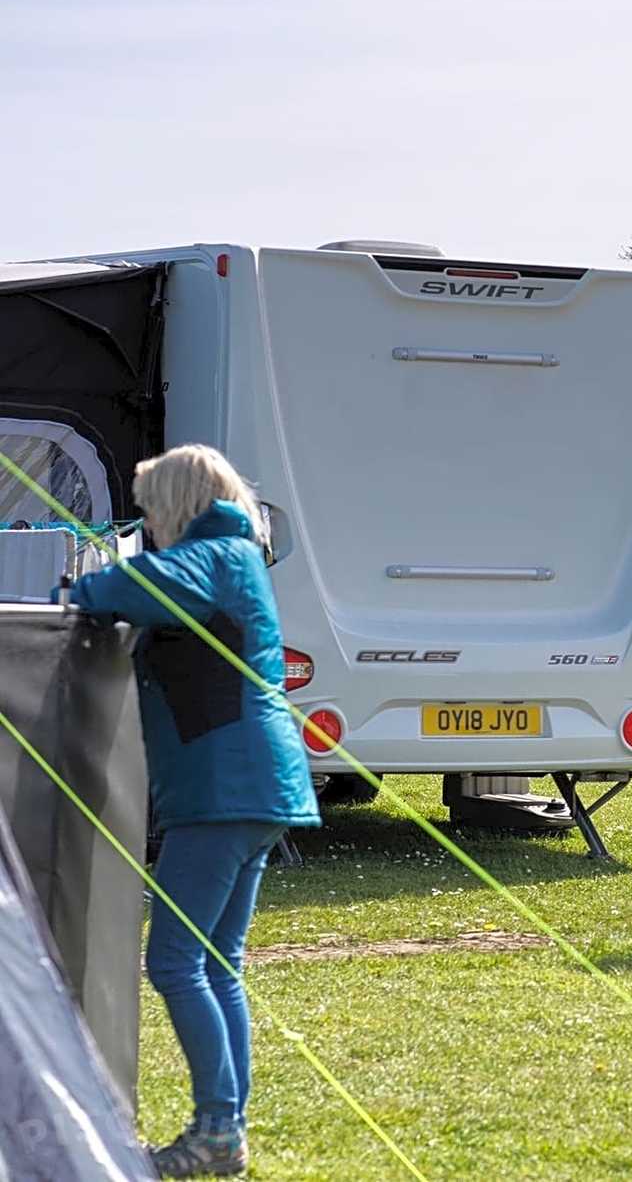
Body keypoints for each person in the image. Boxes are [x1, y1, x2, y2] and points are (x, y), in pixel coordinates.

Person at [73, 445, 319, 1178]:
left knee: (176, 961)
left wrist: (84, 586)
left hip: (225, 788)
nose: (146, 526)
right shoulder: (235, 553)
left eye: (150, 510)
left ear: (177, 503)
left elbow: (129, 586)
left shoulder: (212, 555)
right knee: (217, 963)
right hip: (255, 786)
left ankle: (217, 1129)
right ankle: (226, 1129)